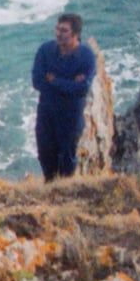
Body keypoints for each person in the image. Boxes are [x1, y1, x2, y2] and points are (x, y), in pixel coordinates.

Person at [32, 12, 96, 181]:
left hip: (70, 115)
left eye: (64, 30)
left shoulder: (87, 56)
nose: (58, 34)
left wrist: (54, 80)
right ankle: (50, 187)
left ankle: (64, 190)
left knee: (67, 156)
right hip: (47, 112)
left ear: (75, 34)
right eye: (57, 29)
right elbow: (37, 82)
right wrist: (69, 84)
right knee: (45, 153)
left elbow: (82, 89)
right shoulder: (45, 51)